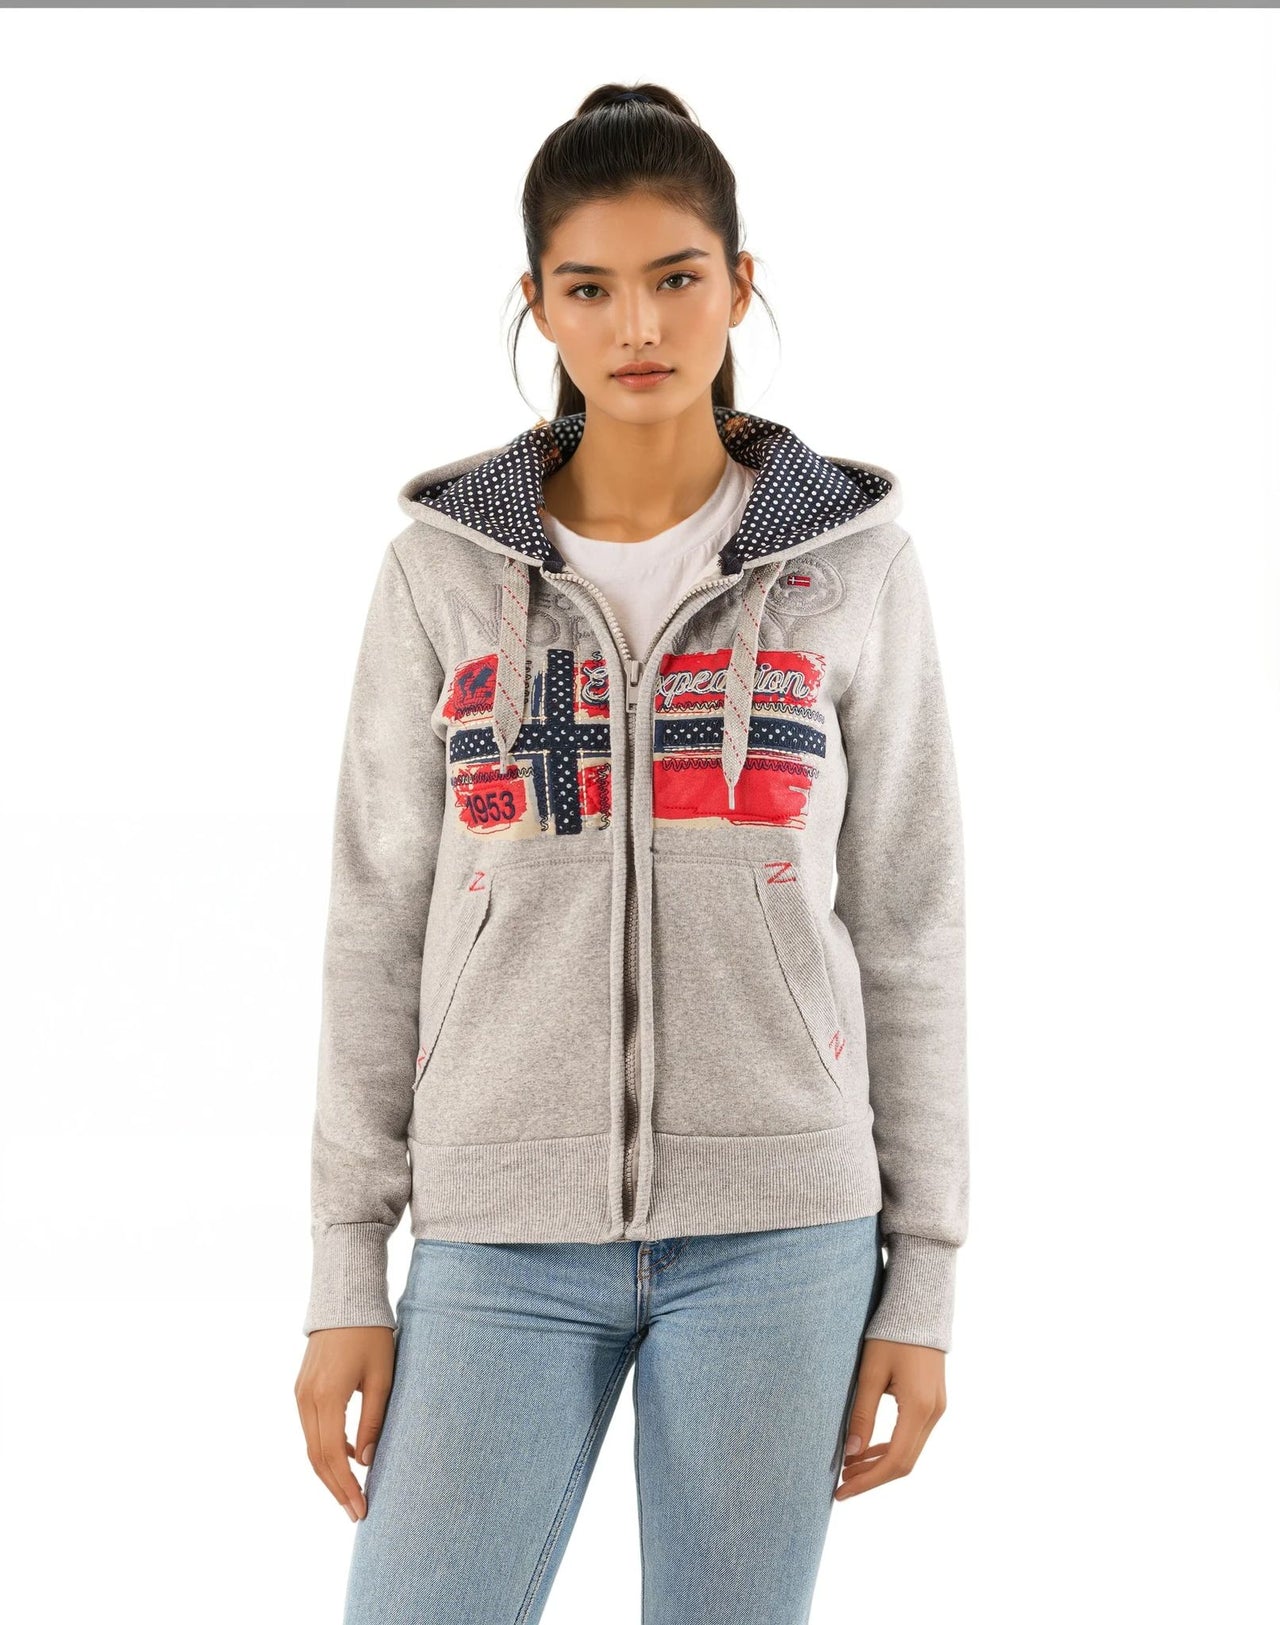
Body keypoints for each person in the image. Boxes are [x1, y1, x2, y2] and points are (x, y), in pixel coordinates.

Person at [294, 80, 969, 1625]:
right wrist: (345, 1269)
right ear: (537, 305)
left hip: (785, 1233)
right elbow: (374, 920)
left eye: (677, 276)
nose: (640, 325)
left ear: (741, 283)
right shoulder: (441, 580)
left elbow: (912, 925)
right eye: (590, 287)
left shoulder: (856, 572)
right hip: (498, 1229)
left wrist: (923, 1274)